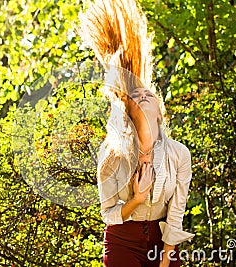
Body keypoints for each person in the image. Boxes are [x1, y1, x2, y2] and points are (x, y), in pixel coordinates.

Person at [79, 0, 195, 266]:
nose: (143, 96)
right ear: (128, 112)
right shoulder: (112, 155)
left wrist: (166, 259)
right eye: (136, 96)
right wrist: (138, 199)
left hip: (162, 239)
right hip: (122, 239)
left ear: (159, 112)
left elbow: (176, 211)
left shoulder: (179, 154)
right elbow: (108, 214)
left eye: (148, 94)